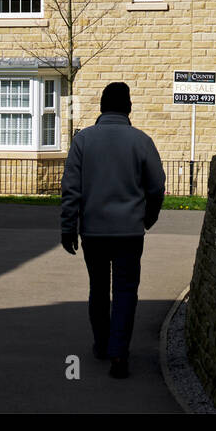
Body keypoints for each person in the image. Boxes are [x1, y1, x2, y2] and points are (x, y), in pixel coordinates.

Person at [60, 81, 165, 378]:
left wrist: (68, 227)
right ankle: (119, 353)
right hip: (129, 232)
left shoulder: (83, 141)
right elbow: (157, 186)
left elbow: (71, 190)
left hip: (93, 231)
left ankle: (101, 344)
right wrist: (148, 217)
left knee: (98, 289)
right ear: (129, 108)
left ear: (102, 107)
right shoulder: (141, 141)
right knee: (125, 292)